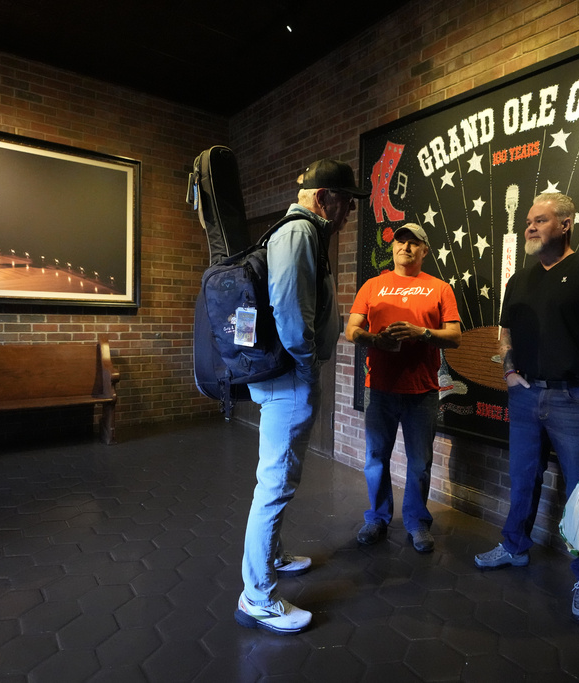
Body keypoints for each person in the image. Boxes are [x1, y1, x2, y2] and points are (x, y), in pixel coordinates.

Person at [474, 192, 579, 623]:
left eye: (540, 220)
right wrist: (508, 370)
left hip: (576, 399)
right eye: (528, 221)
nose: (530, 227)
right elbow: (504, 334)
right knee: (523, 476)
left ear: (566, 223)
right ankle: (515, 546)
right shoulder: (519, 279)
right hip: (525, 396)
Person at [234, 159, 368, 635]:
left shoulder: (305, 231)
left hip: (288, 374)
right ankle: (258, 595)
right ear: (322, 197)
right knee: (275, 484)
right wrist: (308, 363)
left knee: (275, 478)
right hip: (291, 376)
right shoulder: (301, 232)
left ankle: (271, 556)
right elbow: (289, 307)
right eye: (346, 202)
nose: (350, 213)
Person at [346, 223, 461, 553]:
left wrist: (421, 332)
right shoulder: (373, 286)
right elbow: (352, 328)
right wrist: (373, 338)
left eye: (414, 243)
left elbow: (454, 336)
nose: (405, 248)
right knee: (376, 459)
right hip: (380, 388)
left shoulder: (439, 289)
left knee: (419, 462)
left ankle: (417, 521)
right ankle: (378, 517)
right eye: (401, 242)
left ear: (425, 251)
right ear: (393, 248)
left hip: (422, 391)